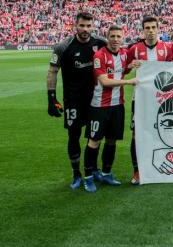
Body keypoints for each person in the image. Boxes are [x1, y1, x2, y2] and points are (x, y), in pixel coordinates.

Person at [46, 11, 107, 190]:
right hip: (72, 100)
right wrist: (51, 98)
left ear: (93, 26)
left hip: (95, 99)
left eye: (89, 26)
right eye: (82, 25)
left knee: (95, 135)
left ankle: (93, 168)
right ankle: (76, 173)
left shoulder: (100, 43)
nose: (85, 29)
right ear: (75, 25)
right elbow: (52, 71)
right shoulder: (63, 47)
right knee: (74, 135)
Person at [83, 25, 140, 193]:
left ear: (123, 37)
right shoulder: (99, 55)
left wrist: (132, 65)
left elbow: (125, 69)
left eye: (118, 36)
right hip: (99, 106)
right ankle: (88, 177)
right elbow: (104, 81)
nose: (115, 39)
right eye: (112, 36)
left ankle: (106, 173)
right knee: (94, 141)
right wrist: (128, 82)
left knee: (111, 141)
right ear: (107, 37)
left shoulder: (123, 53)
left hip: (117, 105)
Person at [127, 16, 172, 185]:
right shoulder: (134, 49)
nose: (151, 30)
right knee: (136, 134)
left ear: (158, 29)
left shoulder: (166, 49)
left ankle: (160, 167)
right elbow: (124, 69)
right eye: (147, 27)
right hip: (140, 98)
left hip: (161, 98)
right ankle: (137, 171)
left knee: (162, 132)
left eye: (153, 27)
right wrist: (130, 66)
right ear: (143, 30)